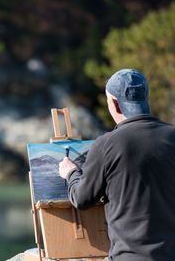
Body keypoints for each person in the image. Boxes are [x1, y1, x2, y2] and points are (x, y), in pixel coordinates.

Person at [58, 68, 175, 261]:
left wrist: (71, 173)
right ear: (145, 98)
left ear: (114, 103)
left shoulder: (107, 144)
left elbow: (82, 199)